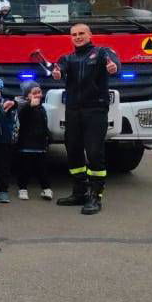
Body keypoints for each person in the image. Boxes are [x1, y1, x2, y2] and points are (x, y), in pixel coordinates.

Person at [52, 23, 120, 215]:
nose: (78, 37)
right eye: (74, 34)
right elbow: (59, 70)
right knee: (73, 150)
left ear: (90, 35)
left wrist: (113, 67)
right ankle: (79, 192)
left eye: (82, 33)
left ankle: (95, 197)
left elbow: (114, 64)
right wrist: (57, 73)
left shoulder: (102, 53)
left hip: (95, 109)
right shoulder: (68, 58)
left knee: (94, 152)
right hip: (73, 110)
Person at [15, 81, 53, 201]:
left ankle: (46, 188)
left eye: (39, 92)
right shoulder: (24, 108)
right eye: (34, 93)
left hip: (40, 145)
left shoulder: (42, 109)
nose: (37, 95)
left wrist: (48, 136)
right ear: (27, 96)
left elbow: (44, 124)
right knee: (25, 169)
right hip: (26, 145)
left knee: (42, 169)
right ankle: (22, 189)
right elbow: (22, 117)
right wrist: (30, 106)